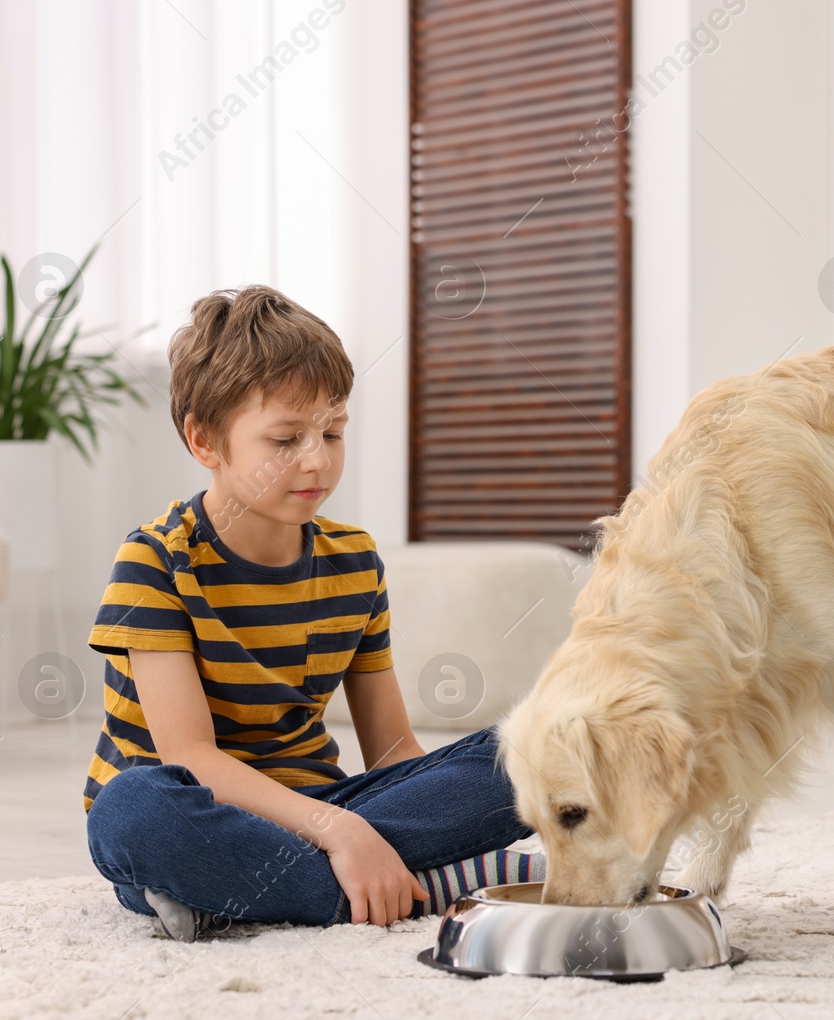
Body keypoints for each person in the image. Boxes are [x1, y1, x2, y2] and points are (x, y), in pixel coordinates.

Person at [83, 284, 542, 941]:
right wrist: (343, 832)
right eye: (285, 439)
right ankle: (415, 879)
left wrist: (366, 815)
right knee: (130, 810)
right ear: (205, 440)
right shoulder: (154, 562)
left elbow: (391, 751)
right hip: (201, 811)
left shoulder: (354, 559)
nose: (317, 460)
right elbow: (192, 757)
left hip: (320, 803)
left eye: (332, 431)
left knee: (534, 748)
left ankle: (248, 894)